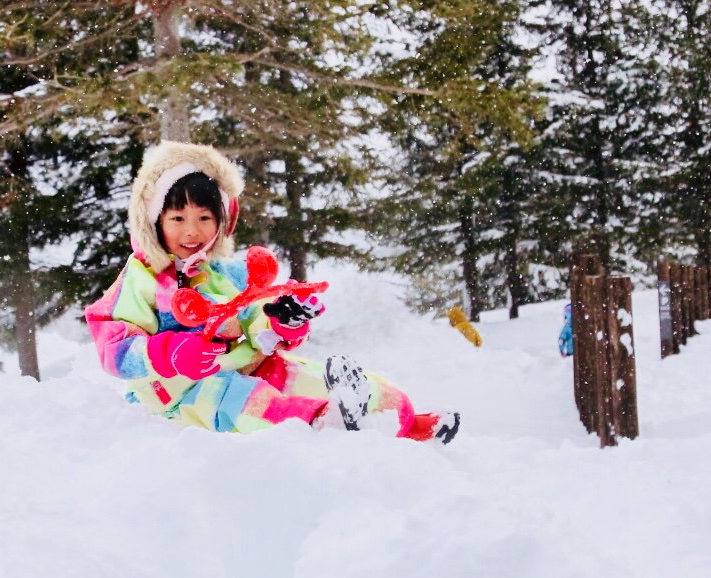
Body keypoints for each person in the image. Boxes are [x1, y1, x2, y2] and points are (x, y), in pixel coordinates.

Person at [85, 140, 460, 443]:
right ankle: (322, 424)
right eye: (178, 219)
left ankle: (404, 420)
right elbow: (114, 346)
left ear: (221, 222)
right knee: (246, 401)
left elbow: (253, 317)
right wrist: (171, 354)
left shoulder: (222, 275)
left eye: (204, 218)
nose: (191, 231)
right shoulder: (142, 279)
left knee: (313, 377)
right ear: (155, 221)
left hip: (254, 365)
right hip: (180, 395)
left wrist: (280, 320)